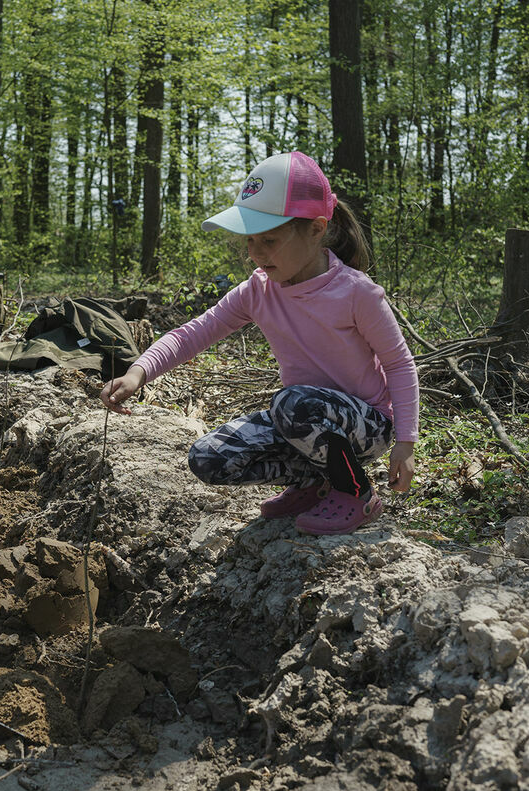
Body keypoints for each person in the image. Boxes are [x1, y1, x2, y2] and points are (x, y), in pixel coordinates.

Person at [100, 152, 419, 536]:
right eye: (250, 239)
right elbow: (196, 332)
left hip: (367, 425)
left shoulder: (356, 293)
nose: (256, 252)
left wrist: (405, 442)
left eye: (270, 239)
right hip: (303, 422)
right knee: (210, 457)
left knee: (292, 403)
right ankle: (312, 484)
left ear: (317, 229)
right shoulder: (258, 290)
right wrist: (139, 372)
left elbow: (399, 364)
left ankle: (356, 493)